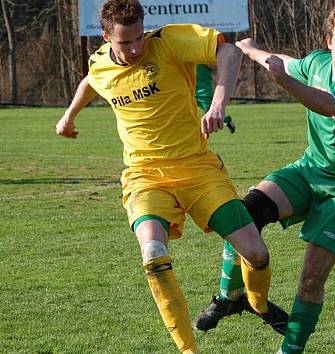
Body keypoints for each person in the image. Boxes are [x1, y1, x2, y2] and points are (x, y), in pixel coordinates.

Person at [54, 1, 286, 353]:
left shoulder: (168, 42)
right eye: (123, 43)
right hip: (144, 176)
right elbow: (91, 79)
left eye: (137, 39)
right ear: (106, 38)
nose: (134, 49)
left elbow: (228, 53)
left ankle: (257, 303)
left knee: (256, 254)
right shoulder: (100, 62)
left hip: (197, 168)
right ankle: (188, 350)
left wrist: (219, 102)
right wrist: (69, 117)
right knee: (153, 253)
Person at [193, 5, 335, 354]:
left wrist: (285, 82)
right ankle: (229, 298)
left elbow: (326, 103)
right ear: (329, 40)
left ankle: (290, 350)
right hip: (310, 169)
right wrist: (250, 49)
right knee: (244, 214)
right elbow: (285, 60)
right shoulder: (318, 62)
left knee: (312, 277)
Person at [196, 63, 236, 133]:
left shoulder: (203, 54)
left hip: (203, 89)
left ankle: (227, 120)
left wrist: (205, 61)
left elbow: (215, 66)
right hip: (191, 86)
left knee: (210, 111)